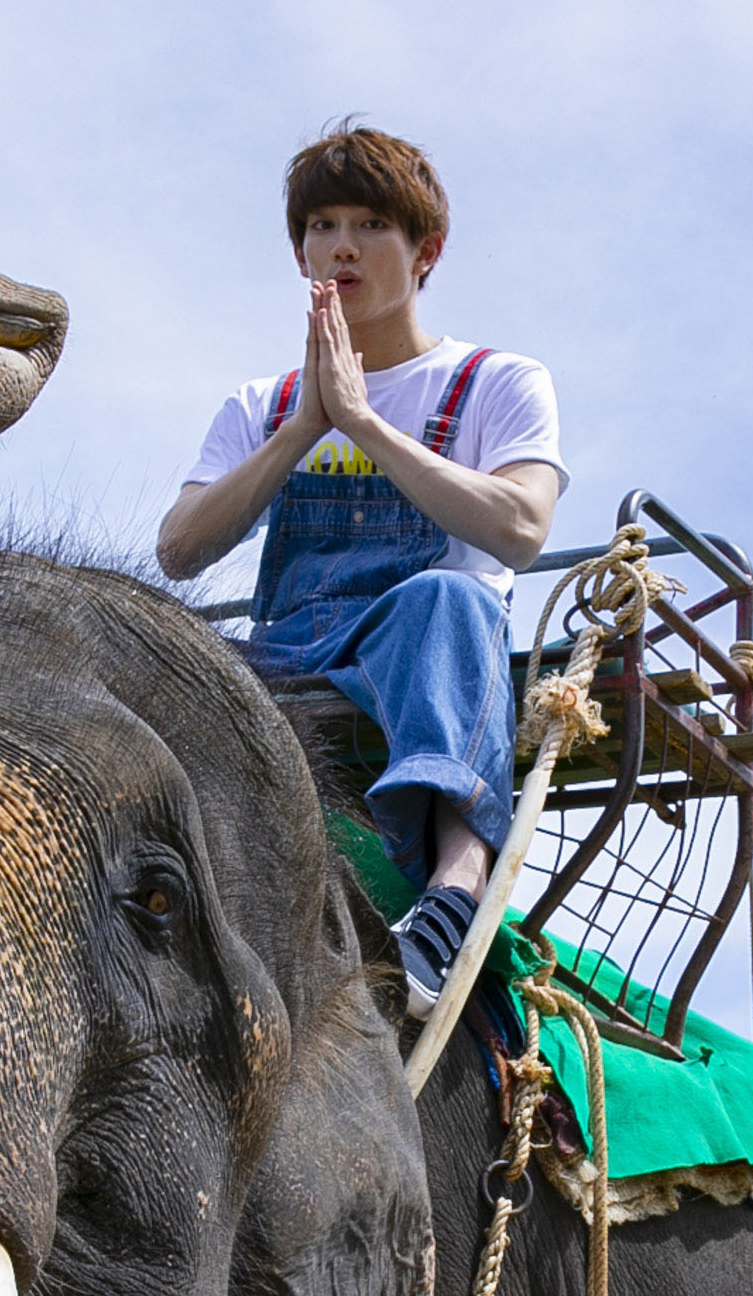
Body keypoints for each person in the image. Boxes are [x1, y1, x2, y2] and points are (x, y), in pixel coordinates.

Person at [158, 126, 564, 1007]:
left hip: (411, 639)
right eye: (323, 224)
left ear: (427, 251)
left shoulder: (495, 381)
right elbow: (180, 549)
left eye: (373, 224)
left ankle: (453, 893)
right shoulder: (260, 405)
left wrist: (367, 425)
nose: (342, 245)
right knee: (159, 657)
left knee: (447, 600)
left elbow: (523, 527)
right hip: (288, 644)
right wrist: (307, 425)